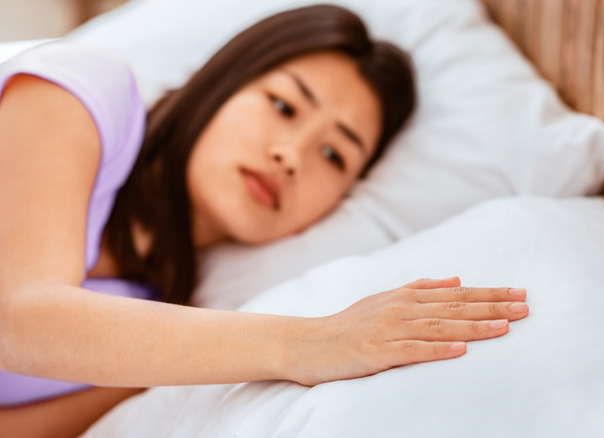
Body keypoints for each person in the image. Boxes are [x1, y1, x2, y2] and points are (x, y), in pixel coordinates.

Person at [0, 4, 529, 437]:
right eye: (283, 105)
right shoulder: (85, 93)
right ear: (223, 82)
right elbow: (18, 319)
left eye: (333, 157)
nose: (292, 154)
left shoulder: (154, 326)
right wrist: (313, 343)